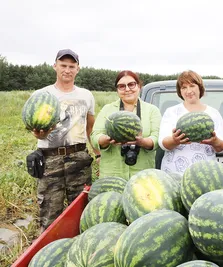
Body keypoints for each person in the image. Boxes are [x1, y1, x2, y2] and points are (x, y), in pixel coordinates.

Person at [31, 49, 99, 231]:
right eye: (63, 65)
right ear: (55, 66)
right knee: (50, 211)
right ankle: (48, 250)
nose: (67, 70)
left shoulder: (86, 95)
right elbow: (35, 128)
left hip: (79, 158)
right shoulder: (41, 95)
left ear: (78, 69)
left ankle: (80, 245)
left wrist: (98, 154)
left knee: (81, 208)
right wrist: (38, 135)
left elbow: (90, 127)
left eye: (72, 66)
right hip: (50, 159)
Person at [91, 70, 161, 180]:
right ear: (117, 90)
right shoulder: (107, 110)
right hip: (112, 174)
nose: (127, 89)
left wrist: (142, 142)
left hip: (143, 175)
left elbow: (157, 138)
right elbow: (95, 136)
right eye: (122, 86)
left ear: (139, 86)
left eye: (131, 84)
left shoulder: (152, 110)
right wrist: (106, 139)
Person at [158, 70, 223, 175]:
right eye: (184, 87)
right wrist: (174, 140)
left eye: (192, 86)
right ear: (180, 91)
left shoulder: (213, 113)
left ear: (199, 87)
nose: (188, 91)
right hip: (175, 174)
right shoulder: (171, 112)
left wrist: (214, 141)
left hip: (205, 174)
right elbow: (163, 144)